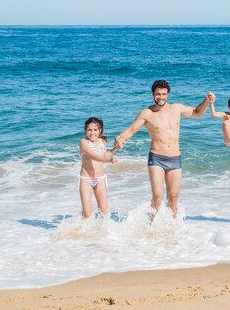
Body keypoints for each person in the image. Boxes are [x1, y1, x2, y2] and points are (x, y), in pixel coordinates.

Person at [114, 80, 209, 219]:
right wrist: (119, 138)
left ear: (168, 94)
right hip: (156, 158)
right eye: (158, 94)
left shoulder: (176, 108)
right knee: (158, 197)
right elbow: (130, 131)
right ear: (153, 94)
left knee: (173, 198)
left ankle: (172, 228)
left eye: (164, 94)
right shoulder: (147, 113)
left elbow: (198, 112)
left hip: (175, 158)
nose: (161, 97)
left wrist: (206, 100)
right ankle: (150, 226)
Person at [79, 117, 119, 219]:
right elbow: (93, 156)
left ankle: (101, 233)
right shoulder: (83, 142)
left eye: (95, 130)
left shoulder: (102, 142)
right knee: (87, 213)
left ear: (100, 130)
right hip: (86, 179)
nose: (92, 133)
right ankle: (80, 230)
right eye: (89, 130)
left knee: (104, 212)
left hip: (100, 179)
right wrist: (109, 160)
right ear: (85, 131)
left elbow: (104, 155)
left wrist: (116, 148)